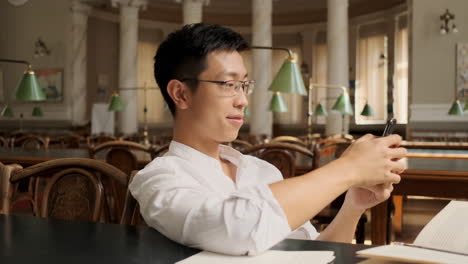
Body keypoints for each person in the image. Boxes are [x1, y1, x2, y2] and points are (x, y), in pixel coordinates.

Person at [129, 23, 407, 256]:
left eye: (244, 85)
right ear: (181, 94)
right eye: (229, 85)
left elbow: (313, 251)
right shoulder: (159, 179)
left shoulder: (262, 170)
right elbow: (238, 229)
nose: (243, 101)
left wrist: (353, 206)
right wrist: (348, 169)